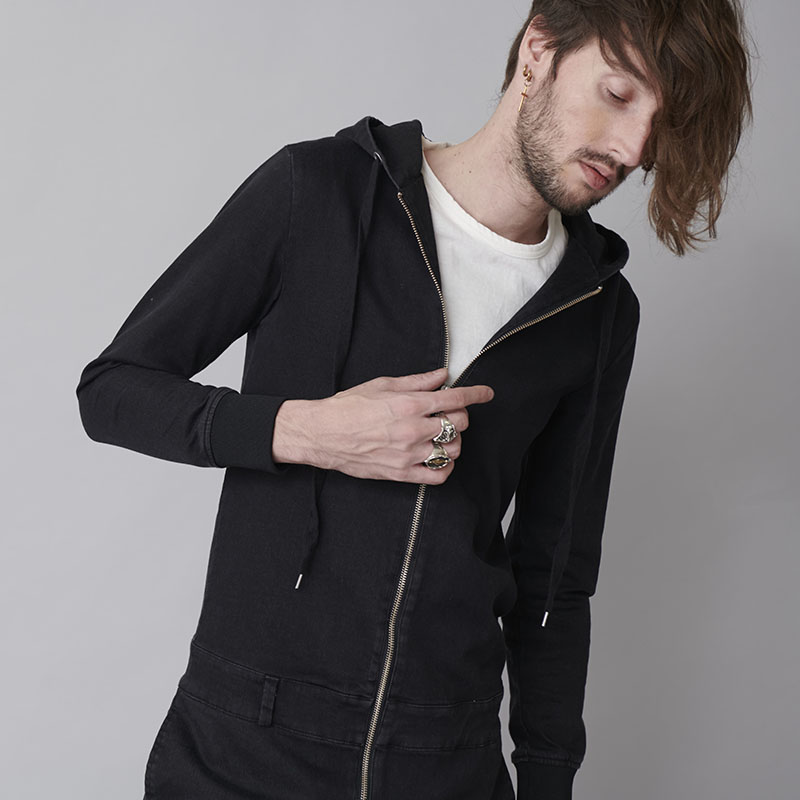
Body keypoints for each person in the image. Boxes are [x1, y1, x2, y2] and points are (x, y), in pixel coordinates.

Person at [76, 1, 752, 798]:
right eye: (618, 94)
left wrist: (547, 778)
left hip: (445, 759)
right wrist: (307, 431)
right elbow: (113, 390)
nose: (633, 149)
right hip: (244, 752)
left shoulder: (596, 310)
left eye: (659, 126)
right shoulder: (321, 193)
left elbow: (555, 581)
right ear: (539, 49)